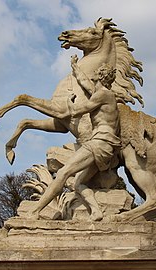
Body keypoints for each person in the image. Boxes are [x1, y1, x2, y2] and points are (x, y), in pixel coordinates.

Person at [31, 55, 120, 221]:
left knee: (64, 172)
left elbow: (78, 110)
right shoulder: (104, 94)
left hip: (99, 142)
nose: (91, 76)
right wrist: (75, 67)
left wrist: (69, 102)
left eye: (94, 74)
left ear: (99, 76)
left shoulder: (102, 95)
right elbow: (85, 83)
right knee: (79, 183)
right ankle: (96, 212)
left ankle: (34, 212)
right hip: (106, 148)